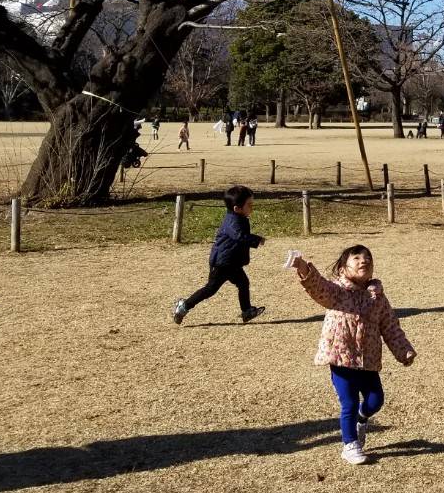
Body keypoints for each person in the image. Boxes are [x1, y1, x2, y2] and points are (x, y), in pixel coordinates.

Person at [291, 245, 416, 465]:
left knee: (376, 401)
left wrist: (403, 350)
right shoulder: (338, 291)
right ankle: (350, 445)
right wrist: (303, 268)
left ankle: (362, 418)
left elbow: (389, 325)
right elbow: (317, 287)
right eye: (356, 257)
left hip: (368, 360)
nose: (363, 261)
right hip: (341, 358)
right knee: (348, 402)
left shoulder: (376, 296)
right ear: (343, 266)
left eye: (368, 258)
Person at [172, 185, 266, 325]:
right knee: (210, 289)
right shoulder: (233, 221)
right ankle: (184, 305)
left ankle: (247, 311)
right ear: (237, 208)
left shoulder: (238, 217)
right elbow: (239, 236)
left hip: (232, 263)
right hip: (223, 263)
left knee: (243, 283)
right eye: (249, 204)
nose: (252, 207)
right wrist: (256, 240)